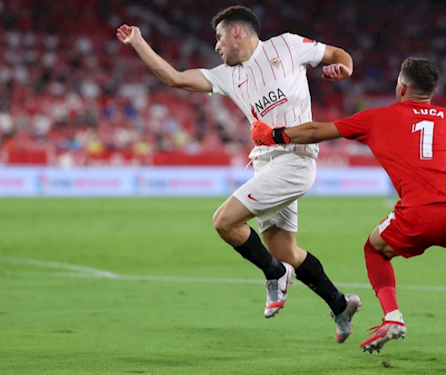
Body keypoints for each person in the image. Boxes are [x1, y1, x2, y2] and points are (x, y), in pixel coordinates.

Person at [249, 57, 446, 375]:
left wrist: (273, 135)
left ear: (401, 87)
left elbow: (317, 130)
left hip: (418, 211)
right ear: (432, 91)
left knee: (374, 248)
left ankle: (392, 316)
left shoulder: (377, 117)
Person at [116, 6, 361, 342]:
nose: (216, 47)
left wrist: (344, 68)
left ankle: (275, 275)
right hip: (265, 162)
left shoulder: (287, 46)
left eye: (218, 38)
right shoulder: (227, 75)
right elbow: (174, 78)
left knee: (224, 221)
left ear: (237, 32)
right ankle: (340, 304)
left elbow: (337, 53)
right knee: (285, 250)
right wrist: (139, 42)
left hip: (296, 160)